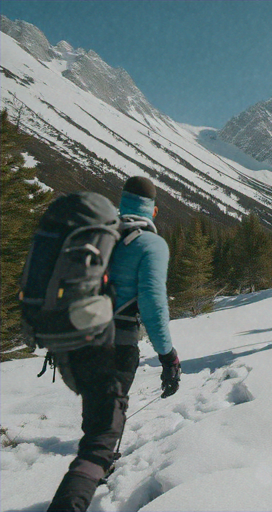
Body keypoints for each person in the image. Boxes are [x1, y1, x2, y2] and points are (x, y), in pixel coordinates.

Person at [47, 176, 180, 512]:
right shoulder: (150, 244)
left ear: (122, 202)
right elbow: (153, 305)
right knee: (99, 441)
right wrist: (168, 356)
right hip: (117, 346)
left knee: (100, 416)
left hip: (77, 342)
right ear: (154, 209)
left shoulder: (98, 234)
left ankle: (99, 469)